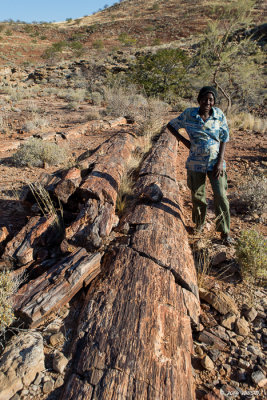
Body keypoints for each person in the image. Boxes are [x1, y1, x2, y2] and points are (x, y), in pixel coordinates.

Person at [167, 86, 233, 245]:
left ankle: (224, 232)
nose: (208, 102)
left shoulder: (219, 115)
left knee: (221, 196)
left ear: (214, 101)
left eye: (211, 99)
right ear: (199, 99)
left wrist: (219, 162)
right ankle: (199, 224)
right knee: (197, 195)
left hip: (216, 162)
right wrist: (185, 142)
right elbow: (171, 125)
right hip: (195, 162)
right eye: (205, 98)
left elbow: (224, 137)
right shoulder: (189, 114)